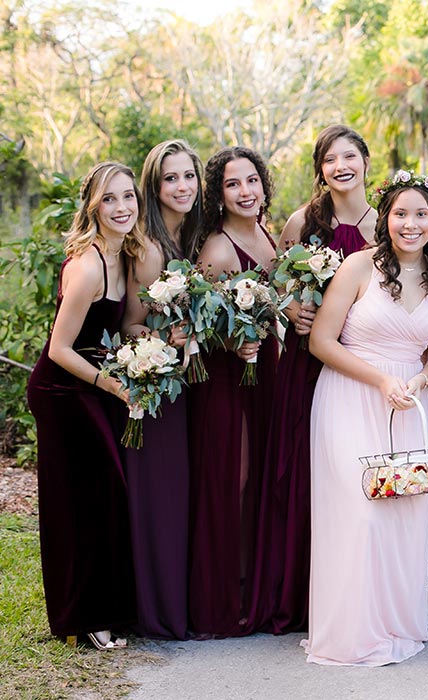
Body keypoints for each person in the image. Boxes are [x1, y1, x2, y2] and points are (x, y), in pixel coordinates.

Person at [304, 172, 428, 666]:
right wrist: (379, 380)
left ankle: (394, 624)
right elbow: (321, 342)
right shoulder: (358, 267)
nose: (411, 224)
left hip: (407, 405)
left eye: (421, 215)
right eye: (401, 214)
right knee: (361, 516)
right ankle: (352, 632)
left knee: (403, 516)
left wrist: (417, 382)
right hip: (351, 395)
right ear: (385, 218)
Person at [247, 126, 376, 635]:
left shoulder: (387, 221)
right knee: (302, 470)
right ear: (320, 168)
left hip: (363, 357)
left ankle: (355, 586)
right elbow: (274, 288)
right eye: (330, 158)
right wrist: (294, 306)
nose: (341, 165)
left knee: (354, 472)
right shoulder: (304, 221)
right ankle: (300, 592)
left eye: (350, 155)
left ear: (366, 161)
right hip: (308, 362)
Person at [27, 162, 148, 649]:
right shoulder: (87, 265)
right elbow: (58, 349)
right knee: (85, 504)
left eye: (128, 197)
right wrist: (115, 386)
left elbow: (114, 331)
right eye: (109, 199)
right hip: (61, 392)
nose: (121, 208)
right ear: (93, 207)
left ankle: (109, 609)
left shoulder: (125, 256)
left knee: (109, 497)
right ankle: (88, 619)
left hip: (92, 387)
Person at [185, 146, 278, 638]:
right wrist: (233, 341)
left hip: (264, 375)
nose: (246, 192)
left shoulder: (268, 235)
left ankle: (250, 585)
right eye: (233, 184)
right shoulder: (219, 250)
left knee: (258, 477)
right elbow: (198, 324)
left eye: (251, 181)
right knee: (232, 479)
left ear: (263, 185)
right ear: (218, 196)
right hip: (227, 382)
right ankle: (218, 599)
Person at [119, 140, 203, 640]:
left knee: (179, 497)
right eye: (170, 179)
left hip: (182, 389)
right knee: (161, 499)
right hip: (154, 393)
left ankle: (176, 605)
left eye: (188, 176)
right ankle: (158, 612)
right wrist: (166, 339)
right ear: (154, 186)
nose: (182, 187)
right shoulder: (149, 248)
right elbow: (130, 324)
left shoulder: (187, 240)